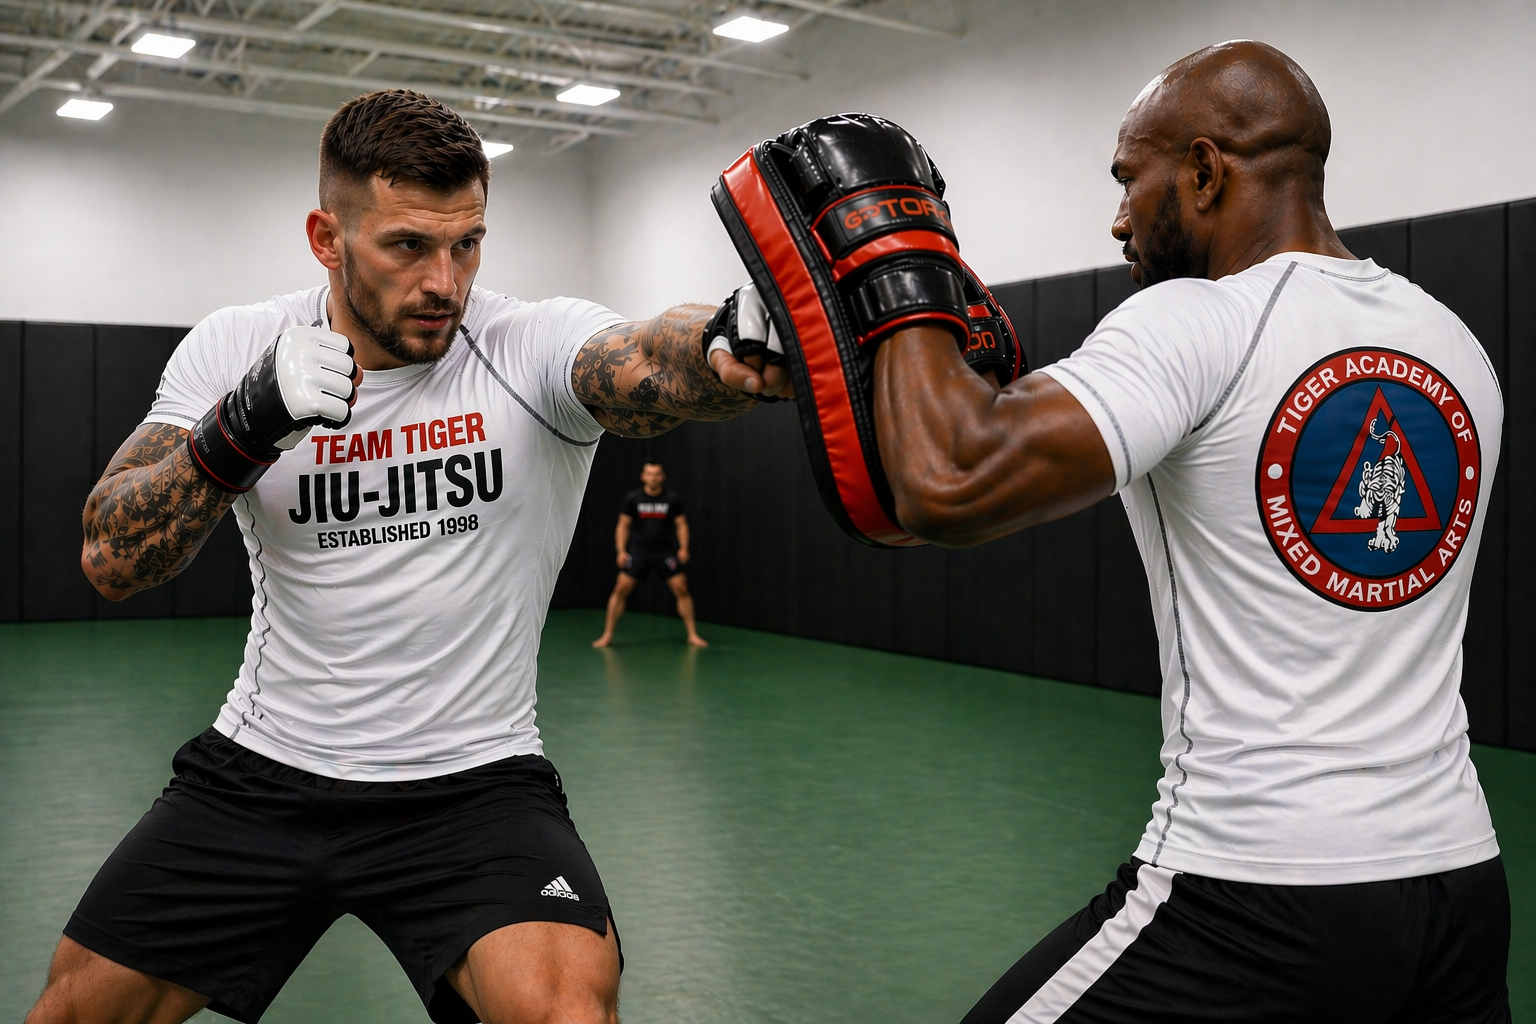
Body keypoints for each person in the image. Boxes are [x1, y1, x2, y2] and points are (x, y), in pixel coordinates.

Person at [718, 41, 1511, 1023]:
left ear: (1206, 171)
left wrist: (896, 258)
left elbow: (948, 478)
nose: (1118, 218)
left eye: (1130, 182)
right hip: (1461, 889)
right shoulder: (1453, 341)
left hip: (1258, 891)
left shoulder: (1199, 321)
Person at [30, 89, 788, 1024]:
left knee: (566, 1014)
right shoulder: (236, 346)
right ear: (326, 236)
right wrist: (245, 425)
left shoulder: (521, 346)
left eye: (467, 242)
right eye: (408, 247)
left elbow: (638, 358)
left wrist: (722, 343)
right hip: (265, 770)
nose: (447, 282)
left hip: (472, 782)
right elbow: (111, 553)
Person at [591, 462, 706, 648]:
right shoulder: (633, 498)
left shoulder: (672, 499)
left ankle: (692, 634)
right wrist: (620, 550)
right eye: (649, 474)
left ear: (662, 477)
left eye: (657, 474)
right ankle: (607, 635)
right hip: (639, 553)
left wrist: (684, 547)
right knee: (620, 589)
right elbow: (623, 525)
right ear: (643, 476)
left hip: (665, 553)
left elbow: (681, 524)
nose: (653, 477)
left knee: (682, 588)